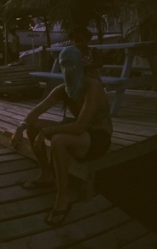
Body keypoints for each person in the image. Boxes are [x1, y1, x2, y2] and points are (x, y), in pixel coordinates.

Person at [10, 46, 112, 226]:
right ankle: (46, 174)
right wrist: (19, 128)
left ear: (80, 64)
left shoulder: (93, 87)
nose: (68, 70)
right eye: (64, 65)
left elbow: (80, 126)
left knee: (58, 140)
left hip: (97, 137)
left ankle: (62, 197)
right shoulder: (62, 89)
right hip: (78, 131)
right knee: (33, 126)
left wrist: (48, 131)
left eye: (71, 64)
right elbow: (37, 111)